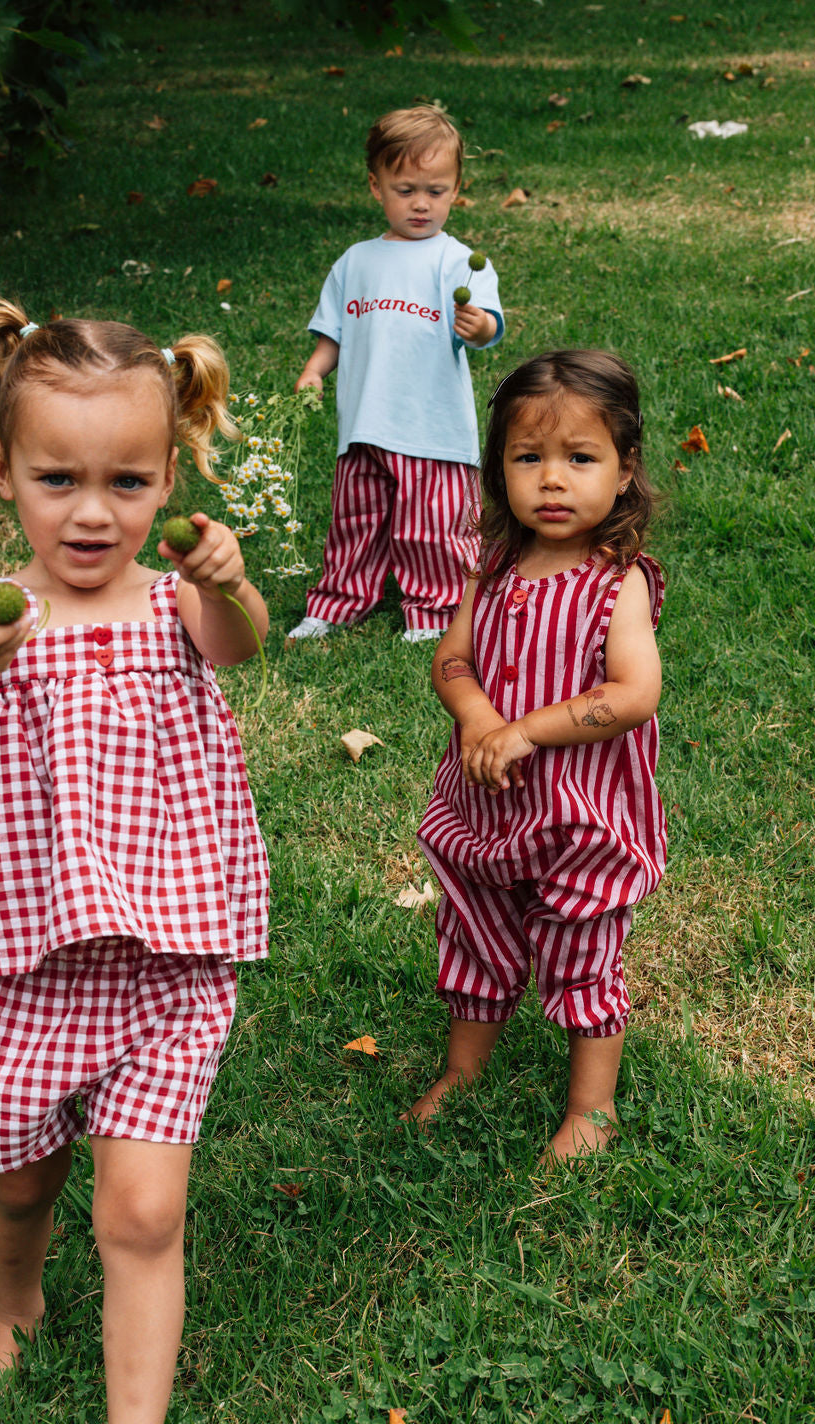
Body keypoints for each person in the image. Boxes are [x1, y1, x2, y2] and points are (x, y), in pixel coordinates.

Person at [0, 300, 270, 1424]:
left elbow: (241, 645)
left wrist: (228, 580)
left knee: (142, 1209)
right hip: (16, 959)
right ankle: (15, 1306)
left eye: (128, 480)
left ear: (171, 473)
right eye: (57, 477)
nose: (92, 512)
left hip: (162, 954)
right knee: (18, 1187)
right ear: (6, 469)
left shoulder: (174, 602)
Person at [410, 350, 666, 1162]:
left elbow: (633, 693)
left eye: (579, 458)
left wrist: (527, 729)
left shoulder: (614, 584)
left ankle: (592, 1108)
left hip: (578, 816)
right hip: (486, 809)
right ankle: (464, 1068)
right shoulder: (493, 569)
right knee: (476, 932)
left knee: (580, 943)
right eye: (529, 459)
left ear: (624, 471)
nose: (553, 480)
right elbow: (451, 660)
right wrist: (480, 713)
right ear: (499, 470)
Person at [288, 103, 504, 645]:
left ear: (457, 188)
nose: (421, 203)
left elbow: (485, 329)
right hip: (363, 424)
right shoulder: (355, 262)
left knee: (433, 528)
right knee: (354, 523)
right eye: (405, 189)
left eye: (436, 189)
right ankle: (337, 602)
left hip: (432, 429)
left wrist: (477, 326)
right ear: (375, 186)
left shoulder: (459, 262)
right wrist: (315, 370)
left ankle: (439, 611)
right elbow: (333, 331)